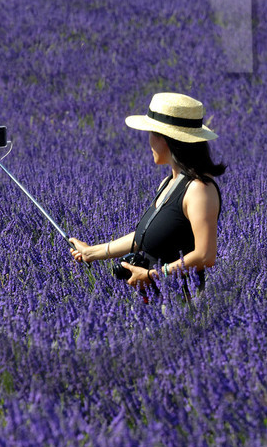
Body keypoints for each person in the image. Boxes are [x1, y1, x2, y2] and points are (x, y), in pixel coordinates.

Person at [68, 91, 224, 297]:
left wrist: (153, 275)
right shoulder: (169, 183)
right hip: (155, 301)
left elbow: (205, 255)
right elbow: (146, 236)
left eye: (151, 133)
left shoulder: (198, 190)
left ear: (166, 140)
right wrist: (92, 252)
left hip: (183, 302)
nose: (149, 141)